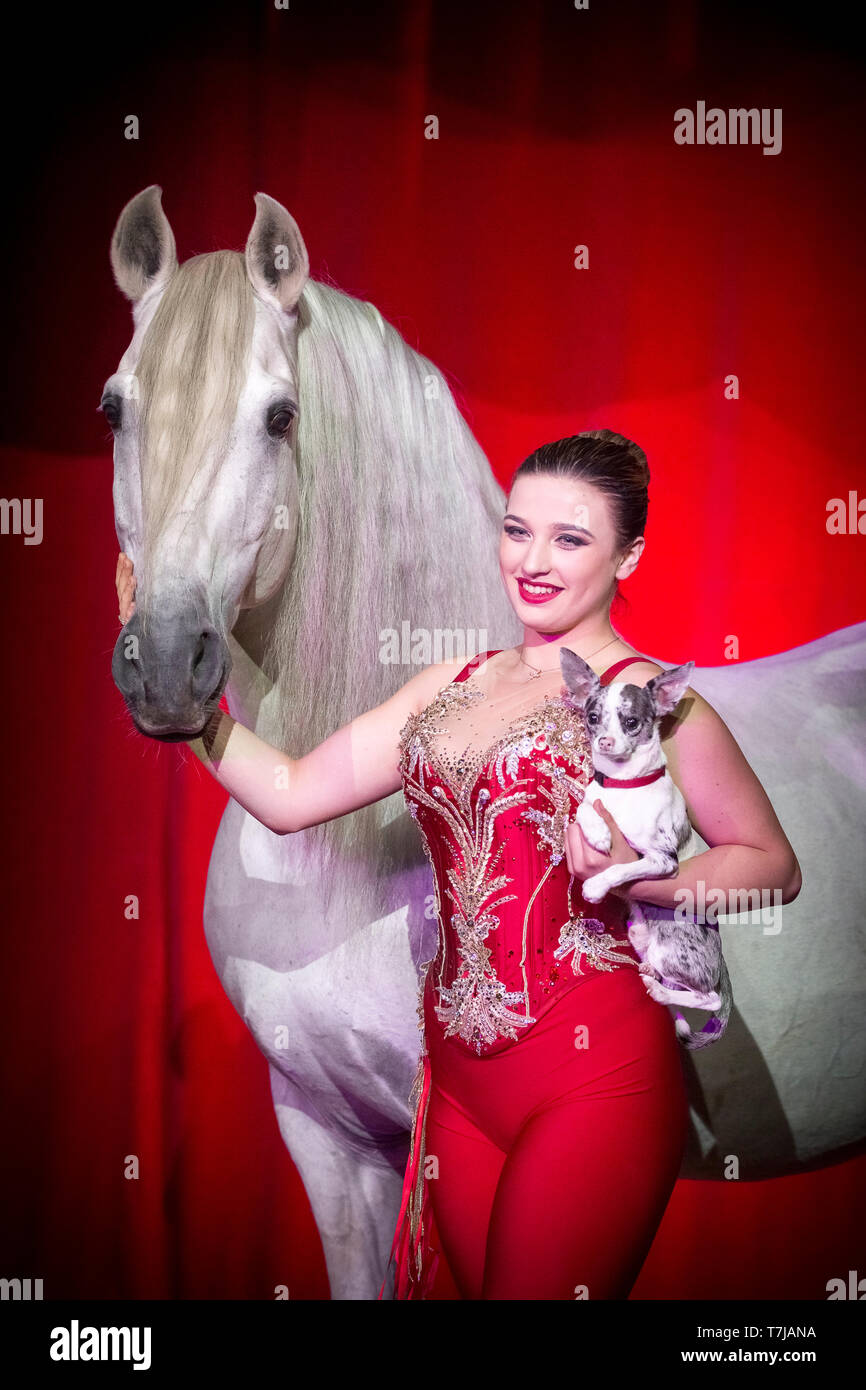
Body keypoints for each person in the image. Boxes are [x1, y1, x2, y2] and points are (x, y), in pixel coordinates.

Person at [115, 428, 802, 1300]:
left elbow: (771, 865)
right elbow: (289, 794)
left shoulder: (655, 700)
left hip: (597, 1080)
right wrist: (176, 702)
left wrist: (643, 876)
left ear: (630, 553)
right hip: (460, 1098)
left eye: (570, 538)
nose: (534, 561)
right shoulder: (450, 683)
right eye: (517, 531)